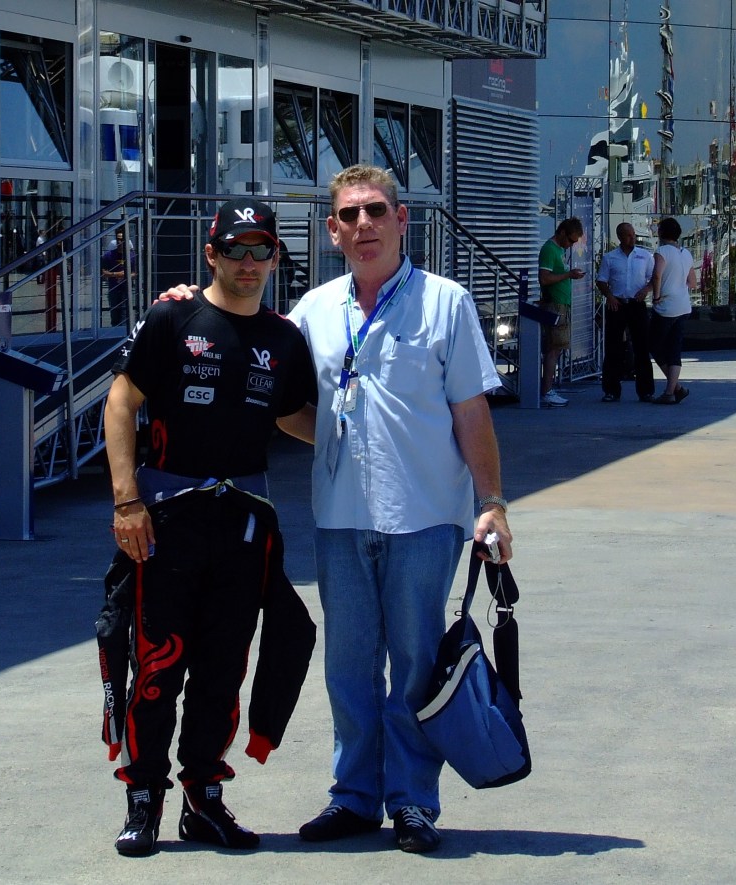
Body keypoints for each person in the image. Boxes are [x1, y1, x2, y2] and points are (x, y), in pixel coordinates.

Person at [290, 165, 512, 854]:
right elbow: (279, 395)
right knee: (348, 665)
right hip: (340, 518)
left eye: (376, 211)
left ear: (401, 219)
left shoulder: (446, 302)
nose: (364, 225)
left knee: (416, 665)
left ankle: (413, 801)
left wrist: (492, 502)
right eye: (348, 215)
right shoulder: (312, 311)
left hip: (424, 517)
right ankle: (354, 796)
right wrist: (187, 300)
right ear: (332, 231)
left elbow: (471, 411)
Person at [103, 197, 318, 857]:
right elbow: (121, 401)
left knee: (223, 670)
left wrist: (369, 437)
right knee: (158, 664)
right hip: (165, 522)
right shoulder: (173, 318)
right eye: (235, 249)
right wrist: (126, 500)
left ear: (275, 257)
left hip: (244, 529)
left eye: (261, 250)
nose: (248, 262)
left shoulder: (284, 339)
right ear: (211, 254)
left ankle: (204, 800)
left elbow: (291, 416)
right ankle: (144, 797)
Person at [595, 222, 656, 402]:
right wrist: (609, 296)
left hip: (637, 303)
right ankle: (611, 390)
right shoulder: (610, 257)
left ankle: (645, 391)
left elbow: (654, 278)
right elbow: (601, 280)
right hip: (617, 304)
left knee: (642, 347)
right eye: (628, 235)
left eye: (633, 235)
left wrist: (646, 289)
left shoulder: (644, 256)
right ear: (620, 237)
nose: (632, 238)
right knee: (613, 347)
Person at [537, 217, 585, 407]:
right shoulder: (550, 249)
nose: (571, 245)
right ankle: (547, 390)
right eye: (571, 240)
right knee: (553, 348)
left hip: (562, 303)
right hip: (555, 304)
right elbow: (544, 278)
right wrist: (568, 275)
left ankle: (548, 388)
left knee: (556, 348)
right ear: (563, 233)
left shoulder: (559, 250)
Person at [649, 216, 694, 404]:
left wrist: (656, 296)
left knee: (655, 346)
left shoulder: (662, 252)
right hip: (683, 305)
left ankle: (673, 389)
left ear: (661, 233)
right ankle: (673, 389)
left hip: (666, 307)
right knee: (674, 348)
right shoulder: (686, 253)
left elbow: (657, 275)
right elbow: (693, 282)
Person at [102, 226, 136, 327]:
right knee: (115, 315)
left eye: (122, 239)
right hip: (114, 289)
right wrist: (116, 274)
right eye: (118, 239)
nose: (120, 242)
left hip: (126, 290)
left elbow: (135, 274)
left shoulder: (132, 256)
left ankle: (124, 333)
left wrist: (125, 275)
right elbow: (103, 272)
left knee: (125, 314)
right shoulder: (109, 255)